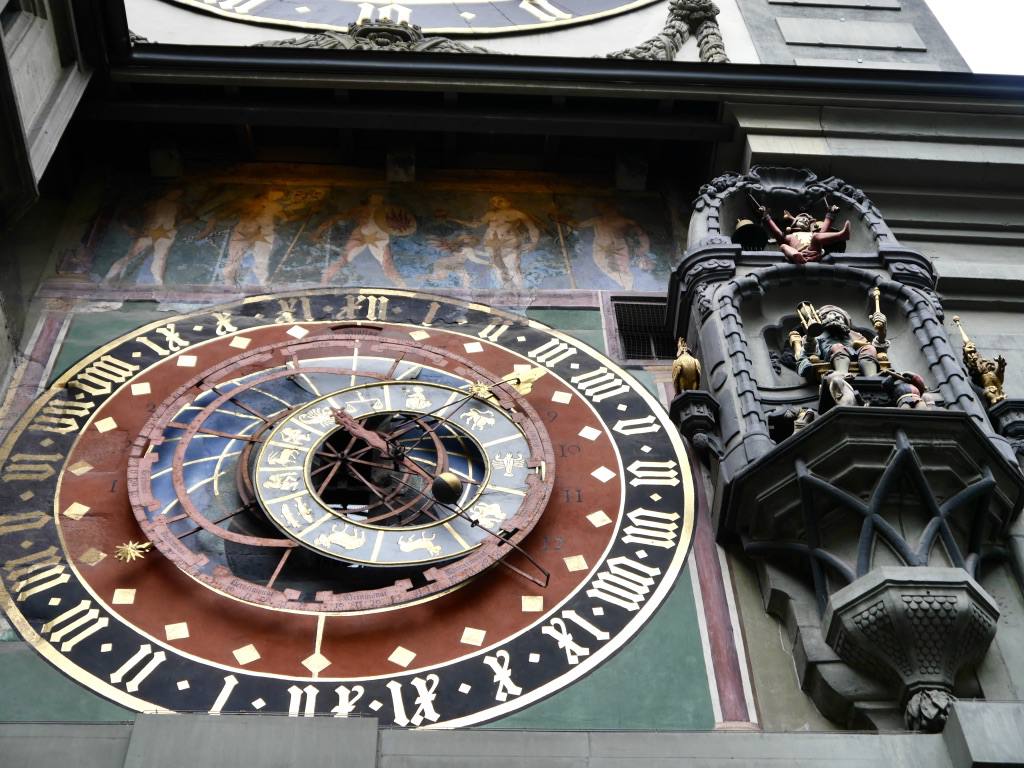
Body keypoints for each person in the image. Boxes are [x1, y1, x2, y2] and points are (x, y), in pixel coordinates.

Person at [314, 193, 415, 287]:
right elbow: (337, 218)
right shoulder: (363, 210)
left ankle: (403, 287)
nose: (377, 200)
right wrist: (318, 232)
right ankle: (323, 282)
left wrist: (318, 232)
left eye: (379, 198)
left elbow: (401, 226)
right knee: (343, 259)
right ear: (369, 199)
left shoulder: (386, 212)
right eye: (375, 197)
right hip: (363, 236)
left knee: (387, 265)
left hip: (379, 238)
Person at [449, 196, 539, 289]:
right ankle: (506, 290)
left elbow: (532, 228)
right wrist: (456, 220)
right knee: (497, 268)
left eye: (500, 201)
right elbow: (475, 224)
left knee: (512, 267)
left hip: (509, 242)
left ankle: (520, 291)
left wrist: (534, 242)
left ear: (509, 201)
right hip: (490, 243)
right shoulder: (490, 214)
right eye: (494, 202)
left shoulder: (517, 214)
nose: (497, 204)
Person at [104, 188, 187, 284]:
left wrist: (176, 226)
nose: (176, 195)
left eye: (179, 194)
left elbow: (190, 218)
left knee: (160, 258)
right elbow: (129, 215)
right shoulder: (152, 204)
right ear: (168, 192)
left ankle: (158, 284)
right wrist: (131, 229)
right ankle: (107, 278)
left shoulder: (180, 206)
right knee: (129, 256)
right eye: (175, 192)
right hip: (148, 233)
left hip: (166, 235)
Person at [573, 201, 652, 290]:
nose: (608, 209)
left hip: (616, 247)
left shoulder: (626, 222)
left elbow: (639, 233)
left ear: (615, 208)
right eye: (604, 207)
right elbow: (575, 225)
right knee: (611, 265)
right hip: (604, 249)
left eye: (609, 206)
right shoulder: (598, 220)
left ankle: (628, 287)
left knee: (620, 270)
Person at [760, 204, 850, 264]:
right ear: (794, 223)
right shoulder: (790, 236)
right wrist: (766, 217)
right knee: (783, 246)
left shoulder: (813, 234)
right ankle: (796, 256)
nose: (805, 220)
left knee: (816, 236)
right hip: (798, 253)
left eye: (807, 220)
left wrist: (831, 213)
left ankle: (842, 235)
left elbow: (823, 232)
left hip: (813, 251)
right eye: (801, 219)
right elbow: (777, 233)